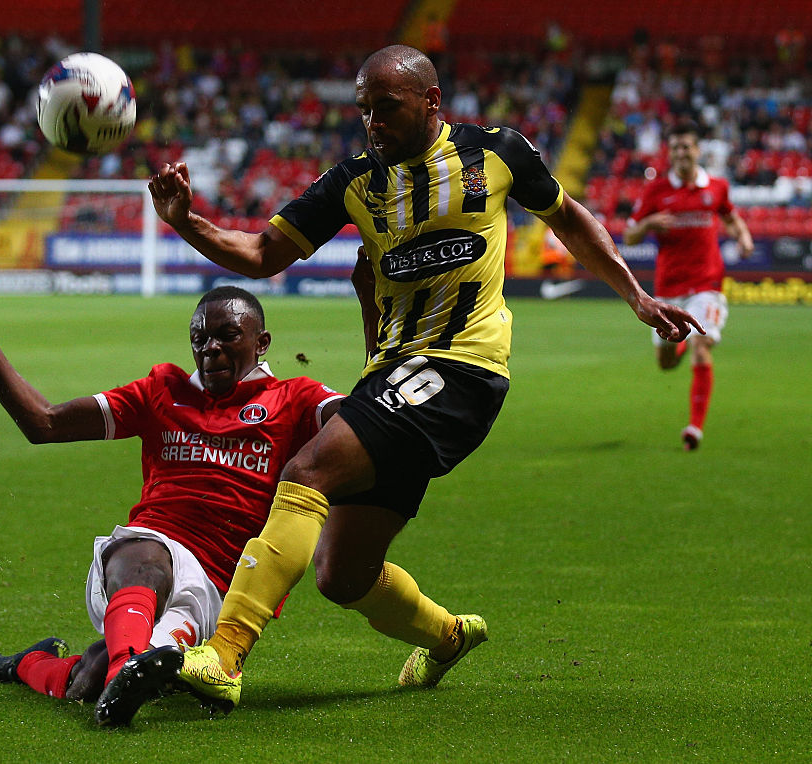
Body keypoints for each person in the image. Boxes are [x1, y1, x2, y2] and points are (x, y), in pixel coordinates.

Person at [132, 44, 703, 716]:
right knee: (341, 575)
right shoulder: (352, 182)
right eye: (364, 110)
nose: (372, 123)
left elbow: (570, 219)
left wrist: (636, 296)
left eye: (387, 108)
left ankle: (223, 656)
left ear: (432, 102)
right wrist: (184, 222)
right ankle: (447, 635)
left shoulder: (496, 154)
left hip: (463, 367)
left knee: (305, 471)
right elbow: (261, 253)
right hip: (393, 375)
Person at [0, 269, 344, 725]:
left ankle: (28, 664)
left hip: (216, 589)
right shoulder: (163, 391)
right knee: (146, 564)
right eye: (199, 338)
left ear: (261, 343)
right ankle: (126, 673)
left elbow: (365, 420)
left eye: (227, 336)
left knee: (89, 678)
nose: (211, 348)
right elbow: (43, 423)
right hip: (144, 553)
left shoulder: (296, 398)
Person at [624, 120, 753, 450]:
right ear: (671, 153)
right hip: (668, 287)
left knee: (702, 347)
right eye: (677, 147)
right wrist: (650, 222)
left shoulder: (717, 186)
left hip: (707, 283)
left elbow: (730, 214)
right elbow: (629, 234)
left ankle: (694, 428)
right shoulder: (656, 191)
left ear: (697, 150)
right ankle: (679, 340)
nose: (682, 152)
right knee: (666, 363)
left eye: (687, 146)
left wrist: (743, 236)